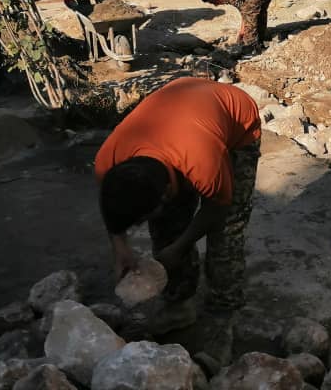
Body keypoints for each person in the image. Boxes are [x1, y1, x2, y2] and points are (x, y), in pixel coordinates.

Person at [95, 77, 261, 363]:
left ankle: (222, 318)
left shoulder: (203, 161)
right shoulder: (107, 160)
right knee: (165, 227)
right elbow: (111, 207)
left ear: (166, 193)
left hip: (235, 120)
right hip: (184, 116)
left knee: (226, 235)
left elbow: (216, 211)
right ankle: (179, 306)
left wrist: (181, 246)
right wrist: (119, 247)